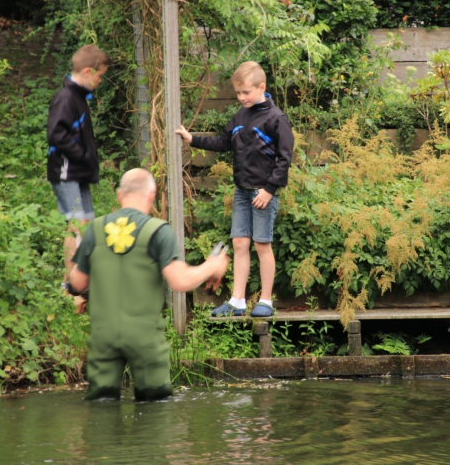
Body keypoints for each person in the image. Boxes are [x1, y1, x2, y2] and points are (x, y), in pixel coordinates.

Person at [68, 168, 230, 401]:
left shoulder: (95, 229)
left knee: (101, 407)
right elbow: (180, 281)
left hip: (103, 335)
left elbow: (77, 281)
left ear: (119, 195)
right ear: (152, 195)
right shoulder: (158, 231)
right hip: (144, 338)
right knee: (155, 409)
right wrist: (211, 265)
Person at [176, 61, 294, 318]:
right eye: (238, 93)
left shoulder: (276, 119)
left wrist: (269, 190)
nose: (241, 98)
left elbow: (284, 159)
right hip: (242, 192)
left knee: (262, 245)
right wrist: (192, 139)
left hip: (263, 192)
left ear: (261, 87)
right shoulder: (239, 117)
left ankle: (265, 300)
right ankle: (238, 301)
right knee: (240, 242)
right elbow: (222, 142)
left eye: (246, 93)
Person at [47, 45, 111, 312]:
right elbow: (56, 135)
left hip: (78, 174)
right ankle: (74, 291)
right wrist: (82, 155)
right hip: (67, 173)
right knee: (76, 227)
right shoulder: (66, 98)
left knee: (85, 226)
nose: (99, 82)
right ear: (87, 71)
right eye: (99, 77)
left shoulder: (79, 97)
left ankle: (70, 285)